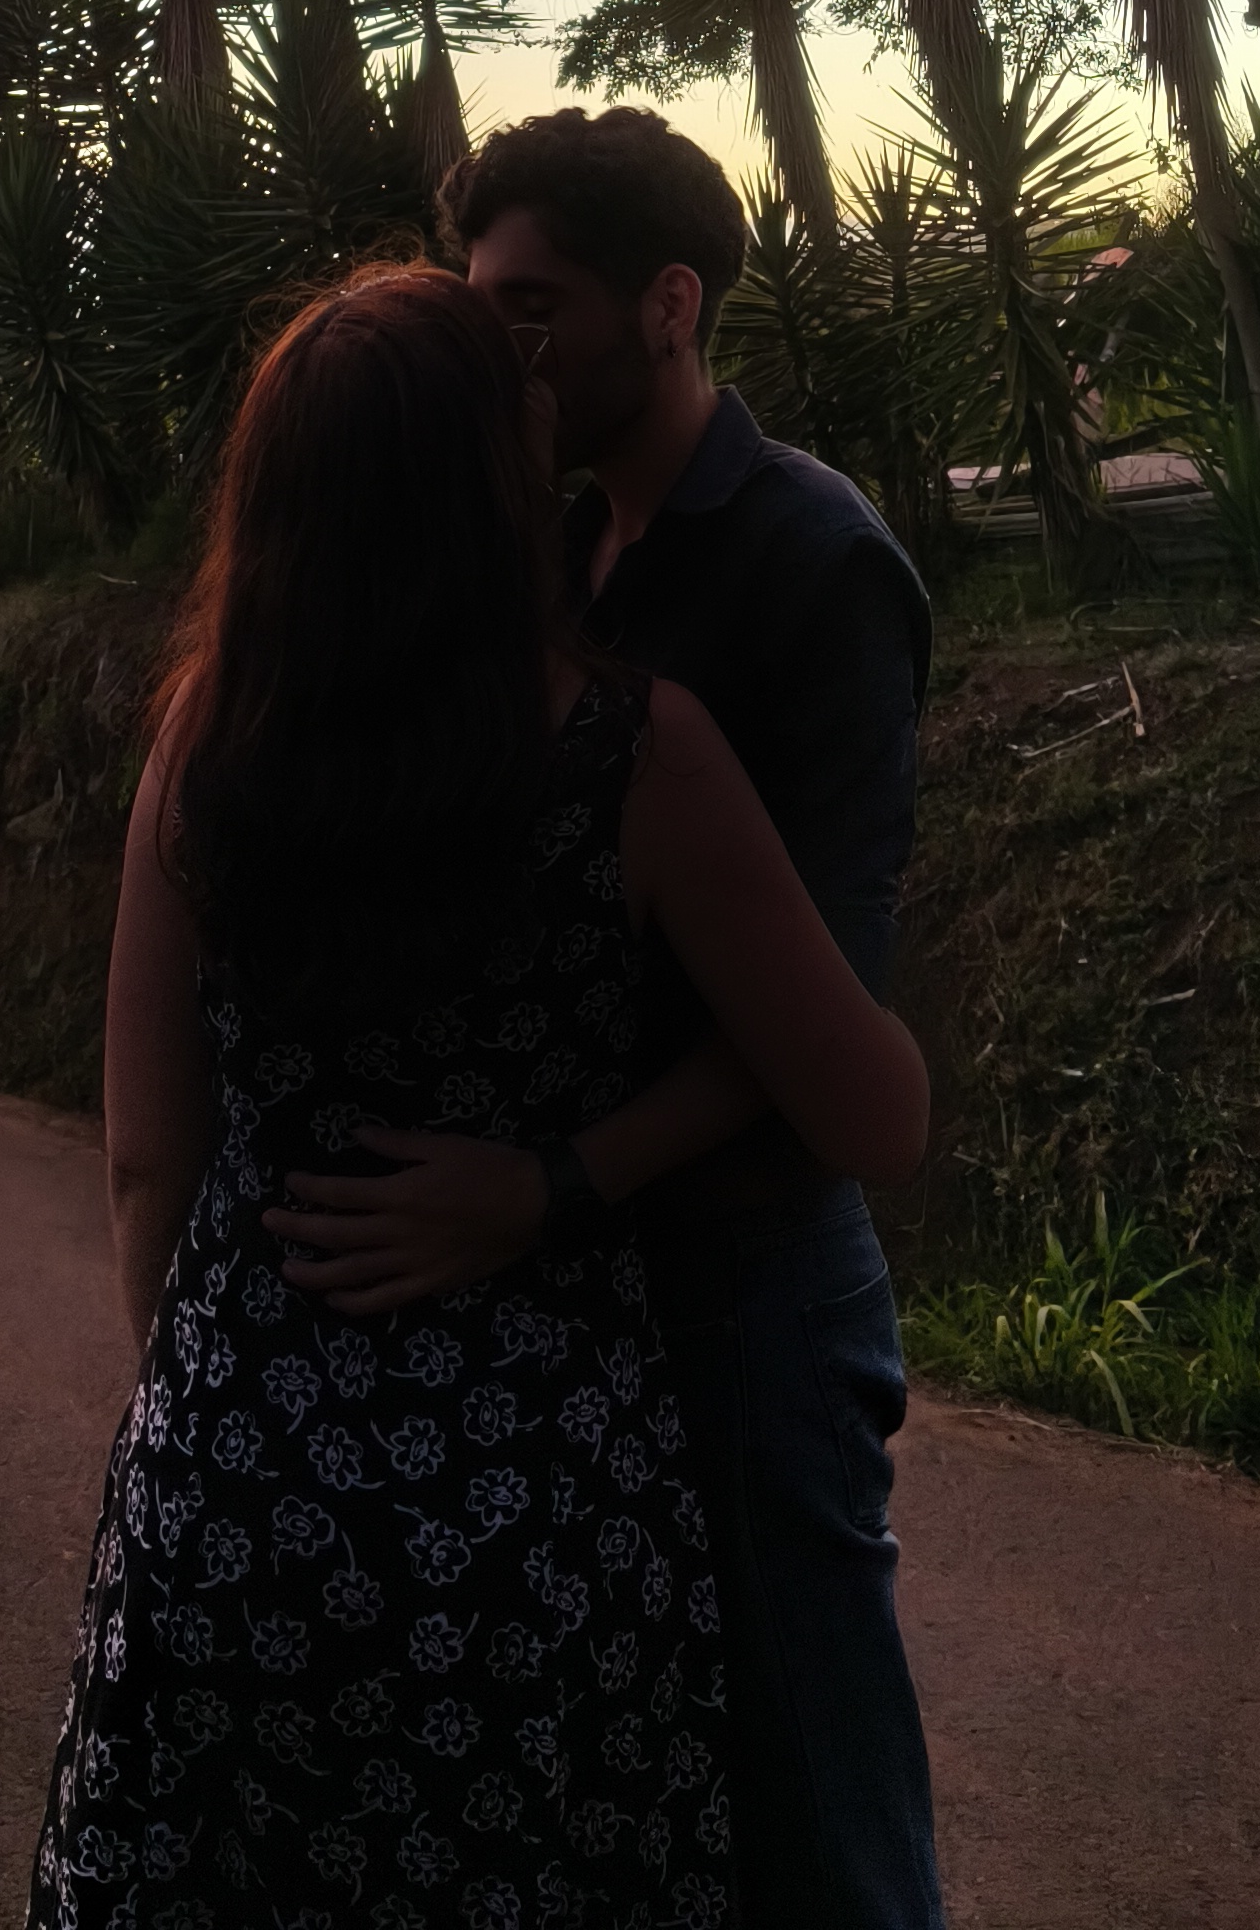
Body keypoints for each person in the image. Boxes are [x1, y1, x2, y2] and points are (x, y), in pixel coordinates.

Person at [30, 262, 926, 1930]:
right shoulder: (639, 758)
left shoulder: (201, 747)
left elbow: (152, 1165)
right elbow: (876, 1114)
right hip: (543, 1523)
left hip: (235, 1482)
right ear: (491, 471)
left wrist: (237, 1425)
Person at [266, 111, 947, 1930]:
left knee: (819, 1812)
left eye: (530, 314)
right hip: (570, 1309)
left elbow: (830, 1028)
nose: (501, 358)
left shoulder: (815, 566)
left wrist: (556, 1183)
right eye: (476, 317)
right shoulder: (546, 543)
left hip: (743, 1281)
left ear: (669, 305)